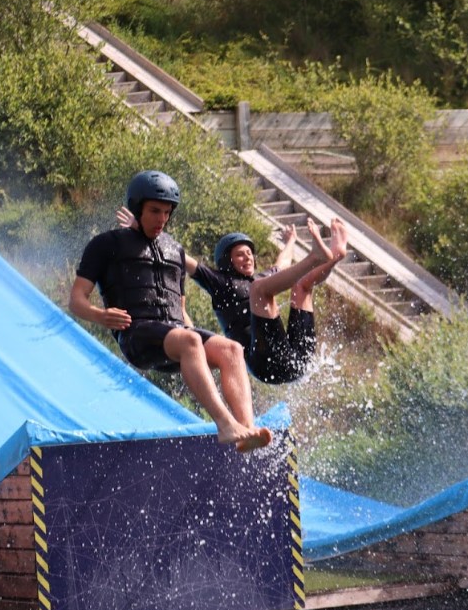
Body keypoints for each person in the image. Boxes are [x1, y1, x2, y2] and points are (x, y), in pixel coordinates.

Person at [69, 170, 272, 453]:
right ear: (137, 207)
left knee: (232, 349)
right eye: (154, 211)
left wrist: (195, 338)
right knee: (188, 340)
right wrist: (101, 316)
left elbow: (181, 308)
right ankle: (225, 425)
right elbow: (76, 300)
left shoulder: (174, 249)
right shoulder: (106, 245)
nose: (161, 219)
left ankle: (246, 429)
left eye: (166, 212)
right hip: (137, 336)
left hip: (174, 334)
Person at [115, 208, 348, 384]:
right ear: (227, 261)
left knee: (301, 287)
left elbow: (283, 263)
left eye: (249, 254)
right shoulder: (220, 283)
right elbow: (180, 257)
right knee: (260, 290)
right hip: (266, 365)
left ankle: (335, 257)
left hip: (298, 360)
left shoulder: (261, 278)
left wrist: (291, 242)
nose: (247, 257)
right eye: (240, 255)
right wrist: (142, 229)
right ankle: (317, 258)